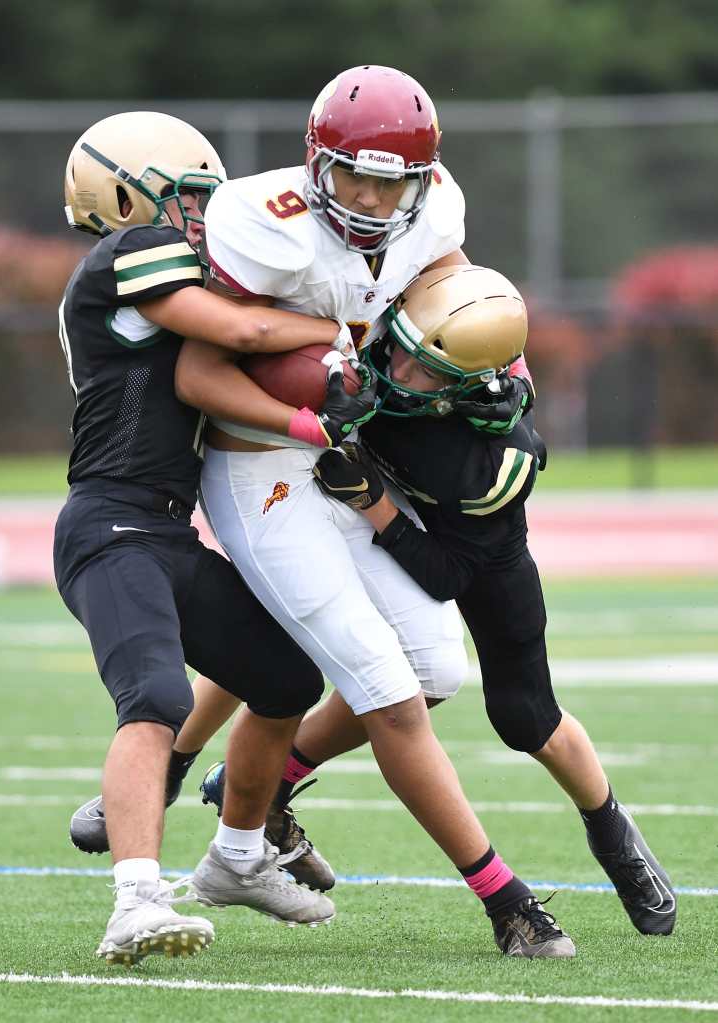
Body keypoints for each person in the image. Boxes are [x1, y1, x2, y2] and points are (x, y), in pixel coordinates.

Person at [173, 66, 575, 958]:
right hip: (260, 466)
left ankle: (243, 831)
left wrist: (487, 352)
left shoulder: (434, 214)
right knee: (389, 695)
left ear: (422, 180)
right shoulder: (262, 225)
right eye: (353, 173)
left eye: (391, 179)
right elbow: (198, 376)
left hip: (346, 457)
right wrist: (307, 398)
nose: (368, 195)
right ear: (316, 162)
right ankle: (506, 900)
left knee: (434, 671)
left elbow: (446, 282)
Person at [56, 110, 370, 964]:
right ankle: (134, 899)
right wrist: (341, 331)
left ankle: (236, 856)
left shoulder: (174, 266)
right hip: (110, 524)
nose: (203, 213)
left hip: (166, 529)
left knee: (282, 676)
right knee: (154, 696)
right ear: (130, 194)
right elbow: (242, 332)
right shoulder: (124, 255)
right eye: (189, 196)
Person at [302, 264, 676, 938]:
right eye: (403, 348)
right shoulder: (399, 338)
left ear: (469, 382)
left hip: (472, 549)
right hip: (384, 505)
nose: (398, 368)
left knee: (524, 715)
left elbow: (448, 572)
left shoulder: (496, 459)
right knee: (342, 658)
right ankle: (259, 772)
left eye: (423, 367)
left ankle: (611, 829)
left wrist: (373, 500)